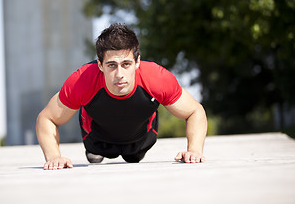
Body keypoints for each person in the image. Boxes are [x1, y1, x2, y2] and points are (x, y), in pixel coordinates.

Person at [36, 23, 207, 170]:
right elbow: (47, 118)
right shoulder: (82, 80)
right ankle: (95, 151)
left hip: (140, 140)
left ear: (137, 62)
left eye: (126, 64)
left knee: (133, 159)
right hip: (96, 138)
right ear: (100, 65)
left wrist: (194, 150)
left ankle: (132, 152)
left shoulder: (157, 78)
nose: (119, 74)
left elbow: (195, 111)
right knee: (95, 156)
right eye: (111, 65)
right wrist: (53, 157)